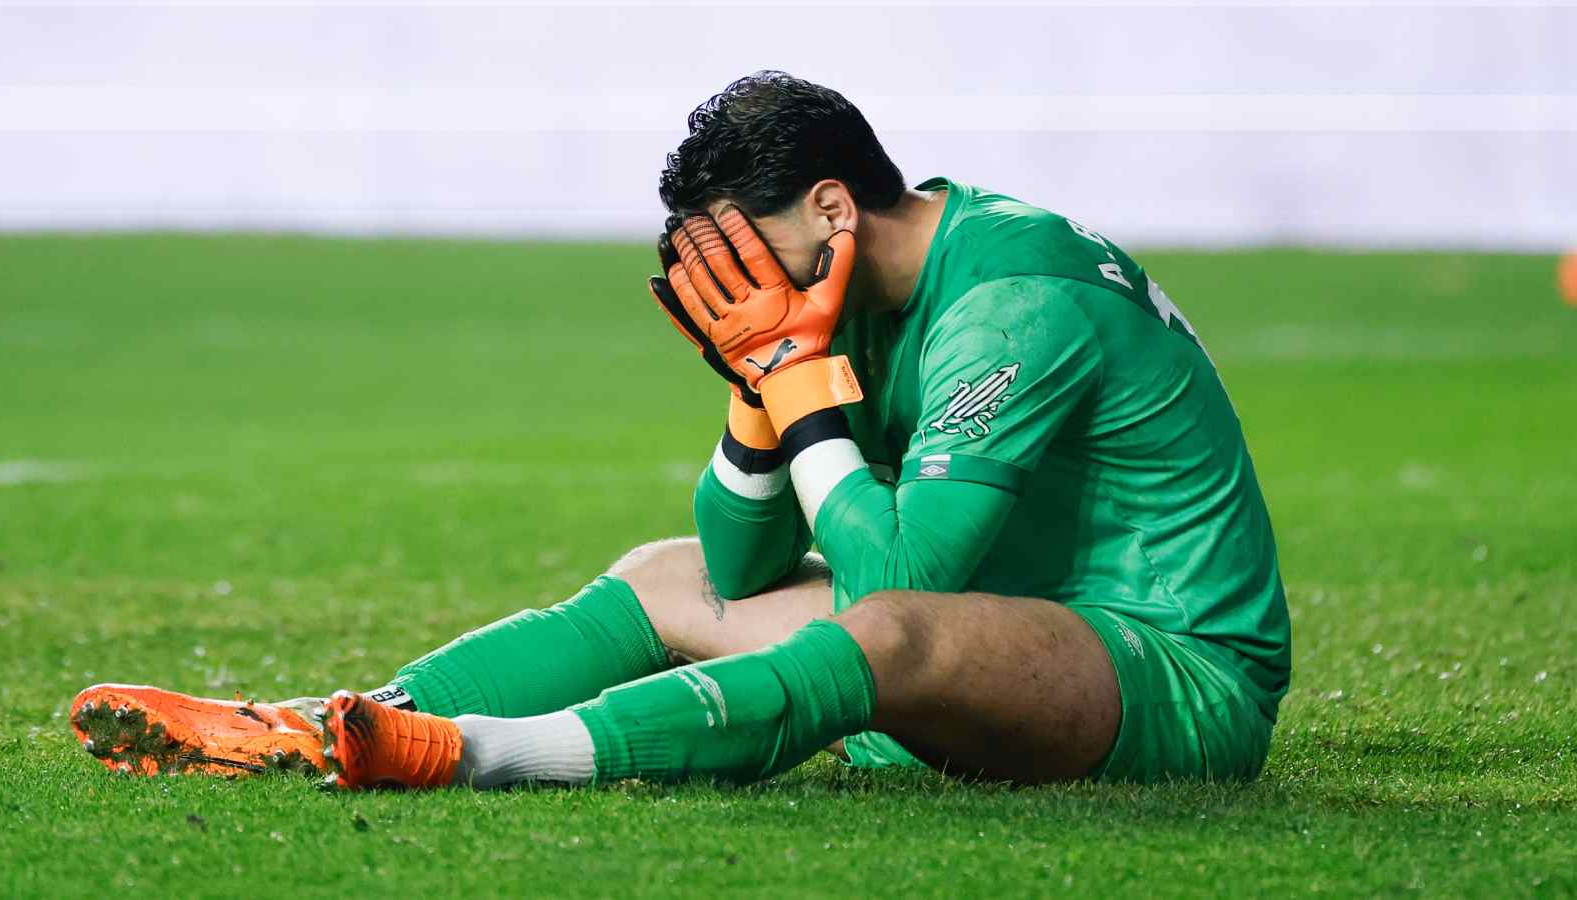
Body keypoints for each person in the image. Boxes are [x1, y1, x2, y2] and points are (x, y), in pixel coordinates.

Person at [71, 71, 1290, 789]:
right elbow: (742, 564)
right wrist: (756, 400)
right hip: (1002, 633)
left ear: (829, 206)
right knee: (670, 575)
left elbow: (897, 581)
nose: (729, 277)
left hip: (1168, 675)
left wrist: (797, 377)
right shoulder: (844, 284)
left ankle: (478, 752)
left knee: (890, 627)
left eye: (742, 246)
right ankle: (325, 720)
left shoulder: (1010, 301)